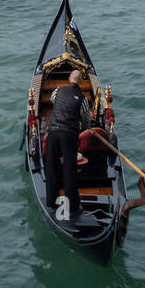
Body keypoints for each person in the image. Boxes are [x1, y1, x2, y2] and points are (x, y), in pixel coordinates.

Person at [44, 69, 91, 217]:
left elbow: (53, 100)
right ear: (81, 82)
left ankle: (51, 203)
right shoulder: (83, 99)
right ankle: (74, 208)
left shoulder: (58, 90)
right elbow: (85, 121)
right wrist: (82, 127)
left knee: (51, 168)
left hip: (52, 133)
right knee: (69, 172)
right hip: (68, 136)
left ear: (69, 79)